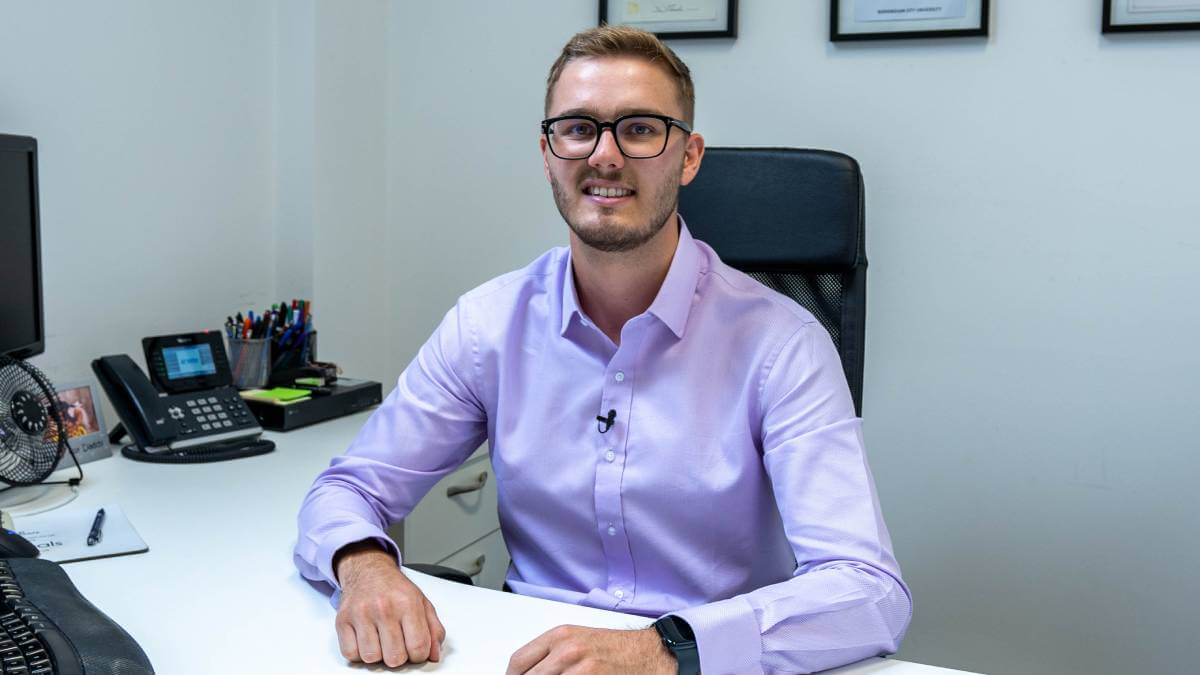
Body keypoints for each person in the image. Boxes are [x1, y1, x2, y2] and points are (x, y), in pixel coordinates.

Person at [295, 25, 911, 675]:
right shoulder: (487, 326)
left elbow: (868, 590)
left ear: (690, 156)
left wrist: (666, 647)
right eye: (579, 127)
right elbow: (350, 487)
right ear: (548, 151)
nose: (605, 155)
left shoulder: (782, 346)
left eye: (640, 129)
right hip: (529, 657)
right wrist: (364, 568)